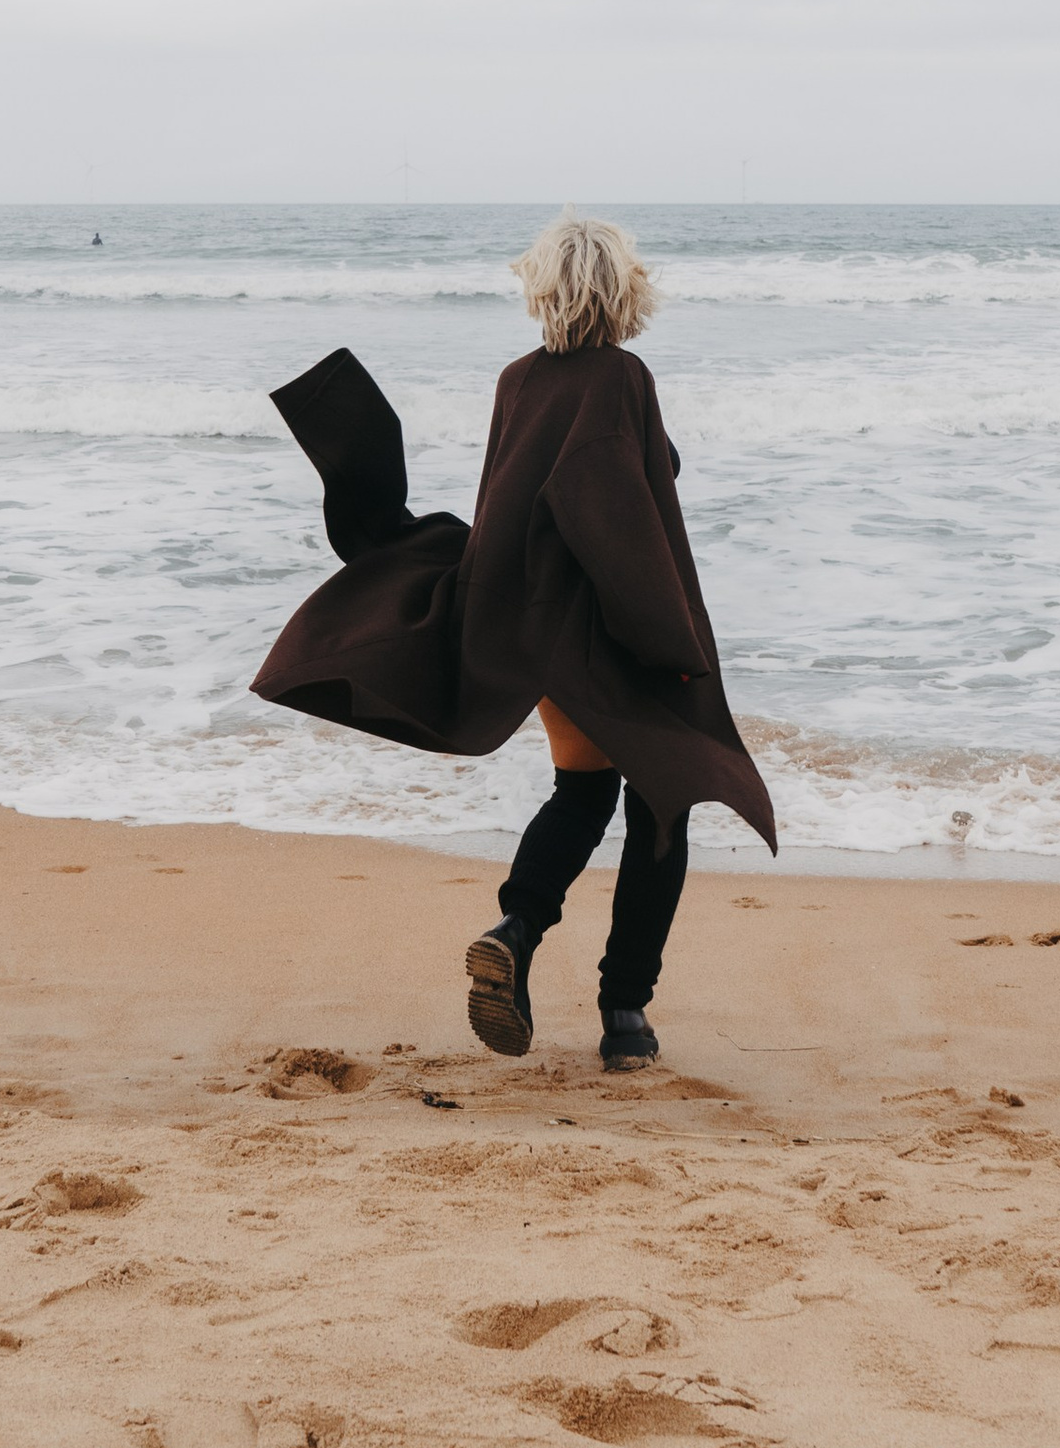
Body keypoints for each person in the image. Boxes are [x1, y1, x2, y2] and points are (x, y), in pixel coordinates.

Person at [251, 211, 774, 1069]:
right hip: (611, 628)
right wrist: (667, 641)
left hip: (533, 633)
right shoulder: (625, 378)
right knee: (663, 805)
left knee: (580, 794)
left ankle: (516, 926)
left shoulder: (516, 381)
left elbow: (522, 496)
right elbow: (615, 506)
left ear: (545, 291)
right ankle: (625, 1015)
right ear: (624, 289)